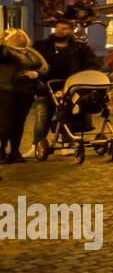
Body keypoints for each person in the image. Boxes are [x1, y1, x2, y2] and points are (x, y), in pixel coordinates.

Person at [30, 19, 99, 154]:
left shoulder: (81, 48)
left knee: (68, 116)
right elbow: (34, 63)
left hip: (70, 88)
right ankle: (37, 145)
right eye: (58, 28)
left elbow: (92, 65)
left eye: (64, 29)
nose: (60, 31)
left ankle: (67, 142)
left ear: (72, 31)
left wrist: (82, 77)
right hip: (46, 88)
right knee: (42, 116)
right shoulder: (41, 46)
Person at [0, 29, 47, 166]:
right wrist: (4, 42)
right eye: (16, 35)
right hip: (7, 90)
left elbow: (44, 67)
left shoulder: (30, 52)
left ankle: (15, 151)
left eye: (22, 34)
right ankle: (1, 151)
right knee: (5, 123)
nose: (20, 36)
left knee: (19, 123)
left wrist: (36, 73)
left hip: (26, 91)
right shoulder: (5, 51)